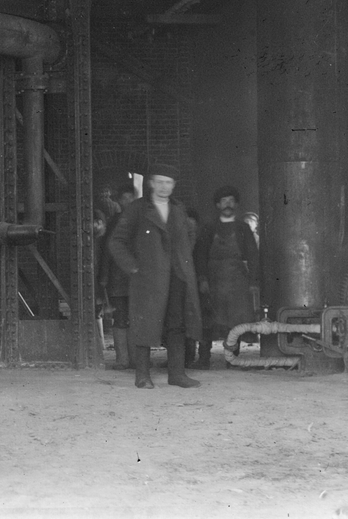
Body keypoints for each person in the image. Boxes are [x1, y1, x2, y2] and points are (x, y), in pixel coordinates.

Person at [108, 164, 203, 389]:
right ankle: (142, 376)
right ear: (151, 183)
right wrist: (133, 267)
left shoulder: (178, 209)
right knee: (145, 324)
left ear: (174, 185)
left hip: (177, 277)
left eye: (168, 183)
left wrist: (182, 259)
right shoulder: (137, 209)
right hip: (148, 279)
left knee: (177, 324)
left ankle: (177, 374)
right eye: (159, 182)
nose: (164, 187)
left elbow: (189, 235)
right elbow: (116, 241)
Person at [193, 185, 260, 369]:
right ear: (218, 205)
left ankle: (232, 359)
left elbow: (253, 256)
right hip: (213, 280)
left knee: (235, 321)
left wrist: (253, 282)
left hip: (237, 280)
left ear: (236, 204)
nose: (228, 204)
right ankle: (204, 359)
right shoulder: (208, 228)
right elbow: (200, 255)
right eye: (224, 201)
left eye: (231, 201)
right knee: (208, 320)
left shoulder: (243, 228)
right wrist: (202, 279)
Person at [101, 181, 138, 371]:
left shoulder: (141, 220)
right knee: (121, 318)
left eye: (131, 198)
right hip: (118, 279)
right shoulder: (114, 222)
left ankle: (136, 359)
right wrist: (104, 276)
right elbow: (107, 251)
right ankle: (123, 359)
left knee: (135, 319)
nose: (128, 201)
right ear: (119, 201)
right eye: (125, 198)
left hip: (136, 278)